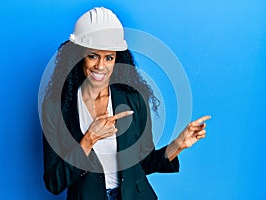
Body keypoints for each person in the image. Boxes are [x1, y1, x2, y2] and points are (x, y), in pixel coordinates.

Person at [42, 7, 211, 200]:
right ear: (79, 55)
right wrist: (88, 140)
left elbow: (145, 162)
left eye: (109, 57)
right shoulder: (56, 109)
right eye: (93, 55)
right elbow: (53, 183)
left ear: (117, 58)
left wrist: (178, 144)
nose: (101, 66)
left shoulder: (133, 100)